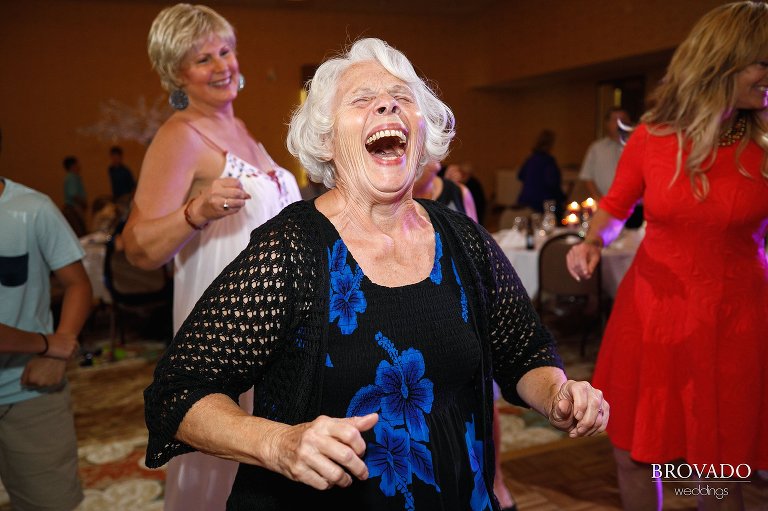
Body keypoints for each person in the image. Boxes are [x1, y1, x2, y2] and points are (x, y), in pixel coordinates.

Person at [144, 37, 608, 510]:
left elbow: (524, 351)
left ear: (422, 133)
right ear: (326, 140)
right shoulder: (290, 250)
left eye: (402, 98)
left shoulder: (462, 239)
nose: (387, 103)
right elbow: (177, 392)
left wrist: (558, 395)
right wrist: (278, 444)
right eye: (362, 100)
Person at [566, 3, 768, 510]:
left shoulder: (763, 143)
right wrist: (593, 243)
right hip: (652, 314)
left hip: (733, 320)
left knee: (718, 471)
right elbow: (615, 207)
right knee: (633, 455)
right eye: (762, 62)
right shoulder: (653, 138)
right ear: (722, 62)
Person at [122, 4, 301, 510]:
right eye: (203, 58)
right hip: (224, 327)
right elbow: (137, 248)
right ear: (175, 73)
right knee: (222, 457)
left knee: (269, 452)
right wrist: (195, 211)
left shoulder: (242, 130)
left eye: (226, 50)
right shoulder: (180, 136)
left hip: (275, 324)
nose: (223, 65)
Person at [414, 159, 516, 510]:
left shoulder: (457, 193)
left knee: (486, 397)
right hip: (422, 309)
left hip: (462, 304)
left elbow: (476, 242)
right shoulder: (397, 193)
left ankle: (495, 480)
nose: (437, 160)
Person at [1, 129, 92, 511]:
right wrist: (46, 343)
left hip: (28, 392)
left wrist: (59, 346)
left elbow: (78, 285)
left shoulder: (32, 208)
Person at [579, 107, 644, 229]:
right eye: (615, 120)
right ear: (607, 123)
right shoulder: (597, 149)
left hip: (636, 208)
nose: (620, 123)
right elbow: (587, 177)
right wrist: (599, 200)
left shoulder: (640, 145)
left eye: (623, 119)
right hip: (607, 208)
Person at [516, 129, 566, 216]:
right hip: (542, 203)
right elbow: (552, 183)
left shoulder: (531, 159)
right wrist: (563, 198)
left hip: (527, 200)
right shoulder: (548, 161)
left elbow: (520, 175)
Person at [62, 155, 87, 237]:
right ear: (72, 166)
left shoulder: (74, 177)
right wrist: (82, 203)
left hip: (73, 208)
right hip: (73, 209)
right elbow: (73, 195)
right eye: (77, 164)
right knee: (79, 232)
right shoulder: (72, 177)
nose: (79, 166)